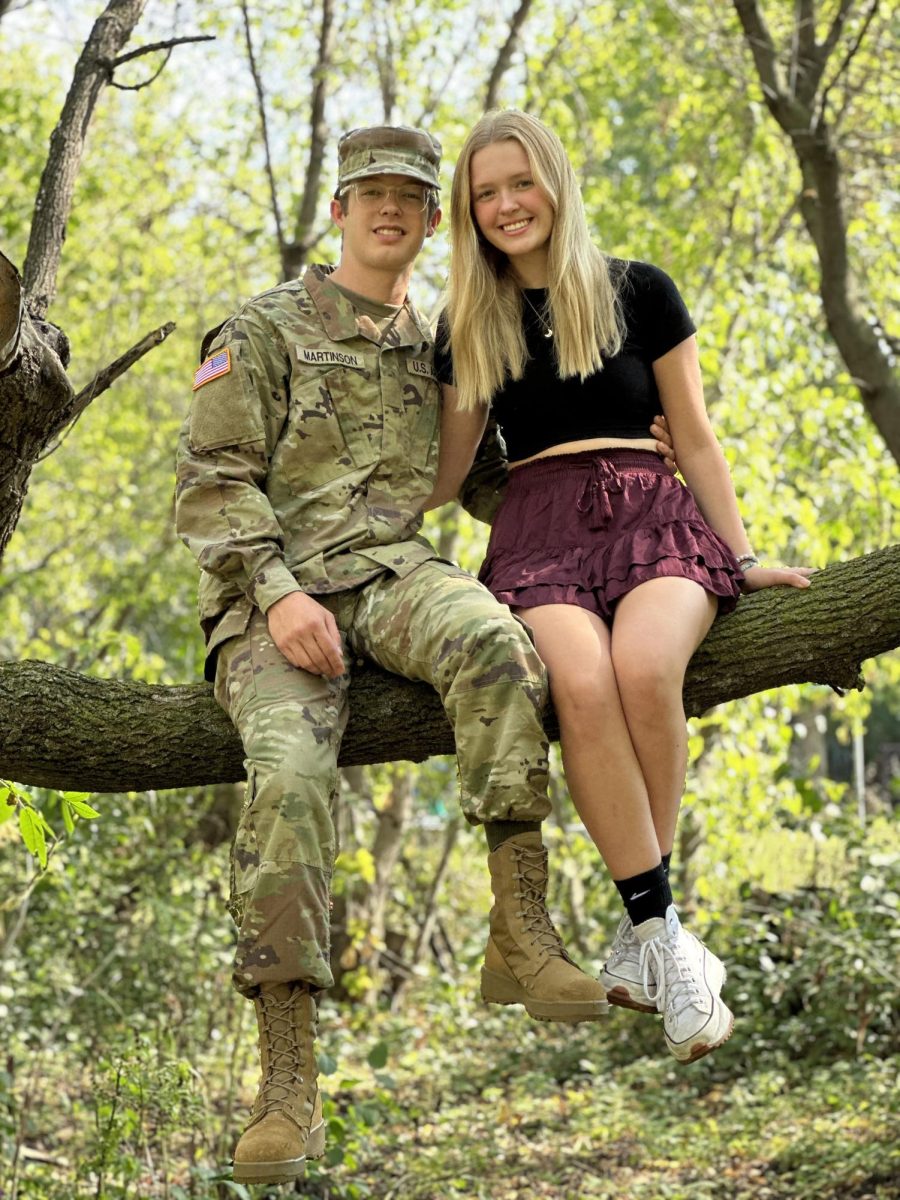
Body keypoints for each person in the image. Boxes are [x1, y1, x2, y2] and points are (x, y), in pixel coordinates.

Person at [175, 125, 677, 1186]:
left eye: (410, 195)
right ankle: (287, 1084)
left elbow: (494, 473)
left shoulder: (448, 338)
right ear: (340, 211)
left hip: (399, 578)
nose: (391, 211)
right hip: (275, 606)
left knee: (498, 641)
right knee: (294, 776)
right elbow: (213, 487)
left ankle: (519, 932)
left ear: (429, 217)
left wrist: (632, 469)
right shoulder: (259, 329)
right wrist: (276, 595)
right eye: (372, 195)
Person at [432, 109, 814, 1066]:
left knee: (645, 668)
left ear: (554, 183)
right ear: (469, 213)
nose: (507, 204)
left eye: (521, 182)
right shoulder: (466, 325)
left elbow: (694, 434)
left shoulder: (640, 290)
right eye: (486, 193)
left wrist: (740, 554)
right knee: (582, 682)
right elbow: (440, 475)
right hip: (539, 532)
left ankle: (654, 936)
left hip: (653, 515)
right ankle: (665, 938)